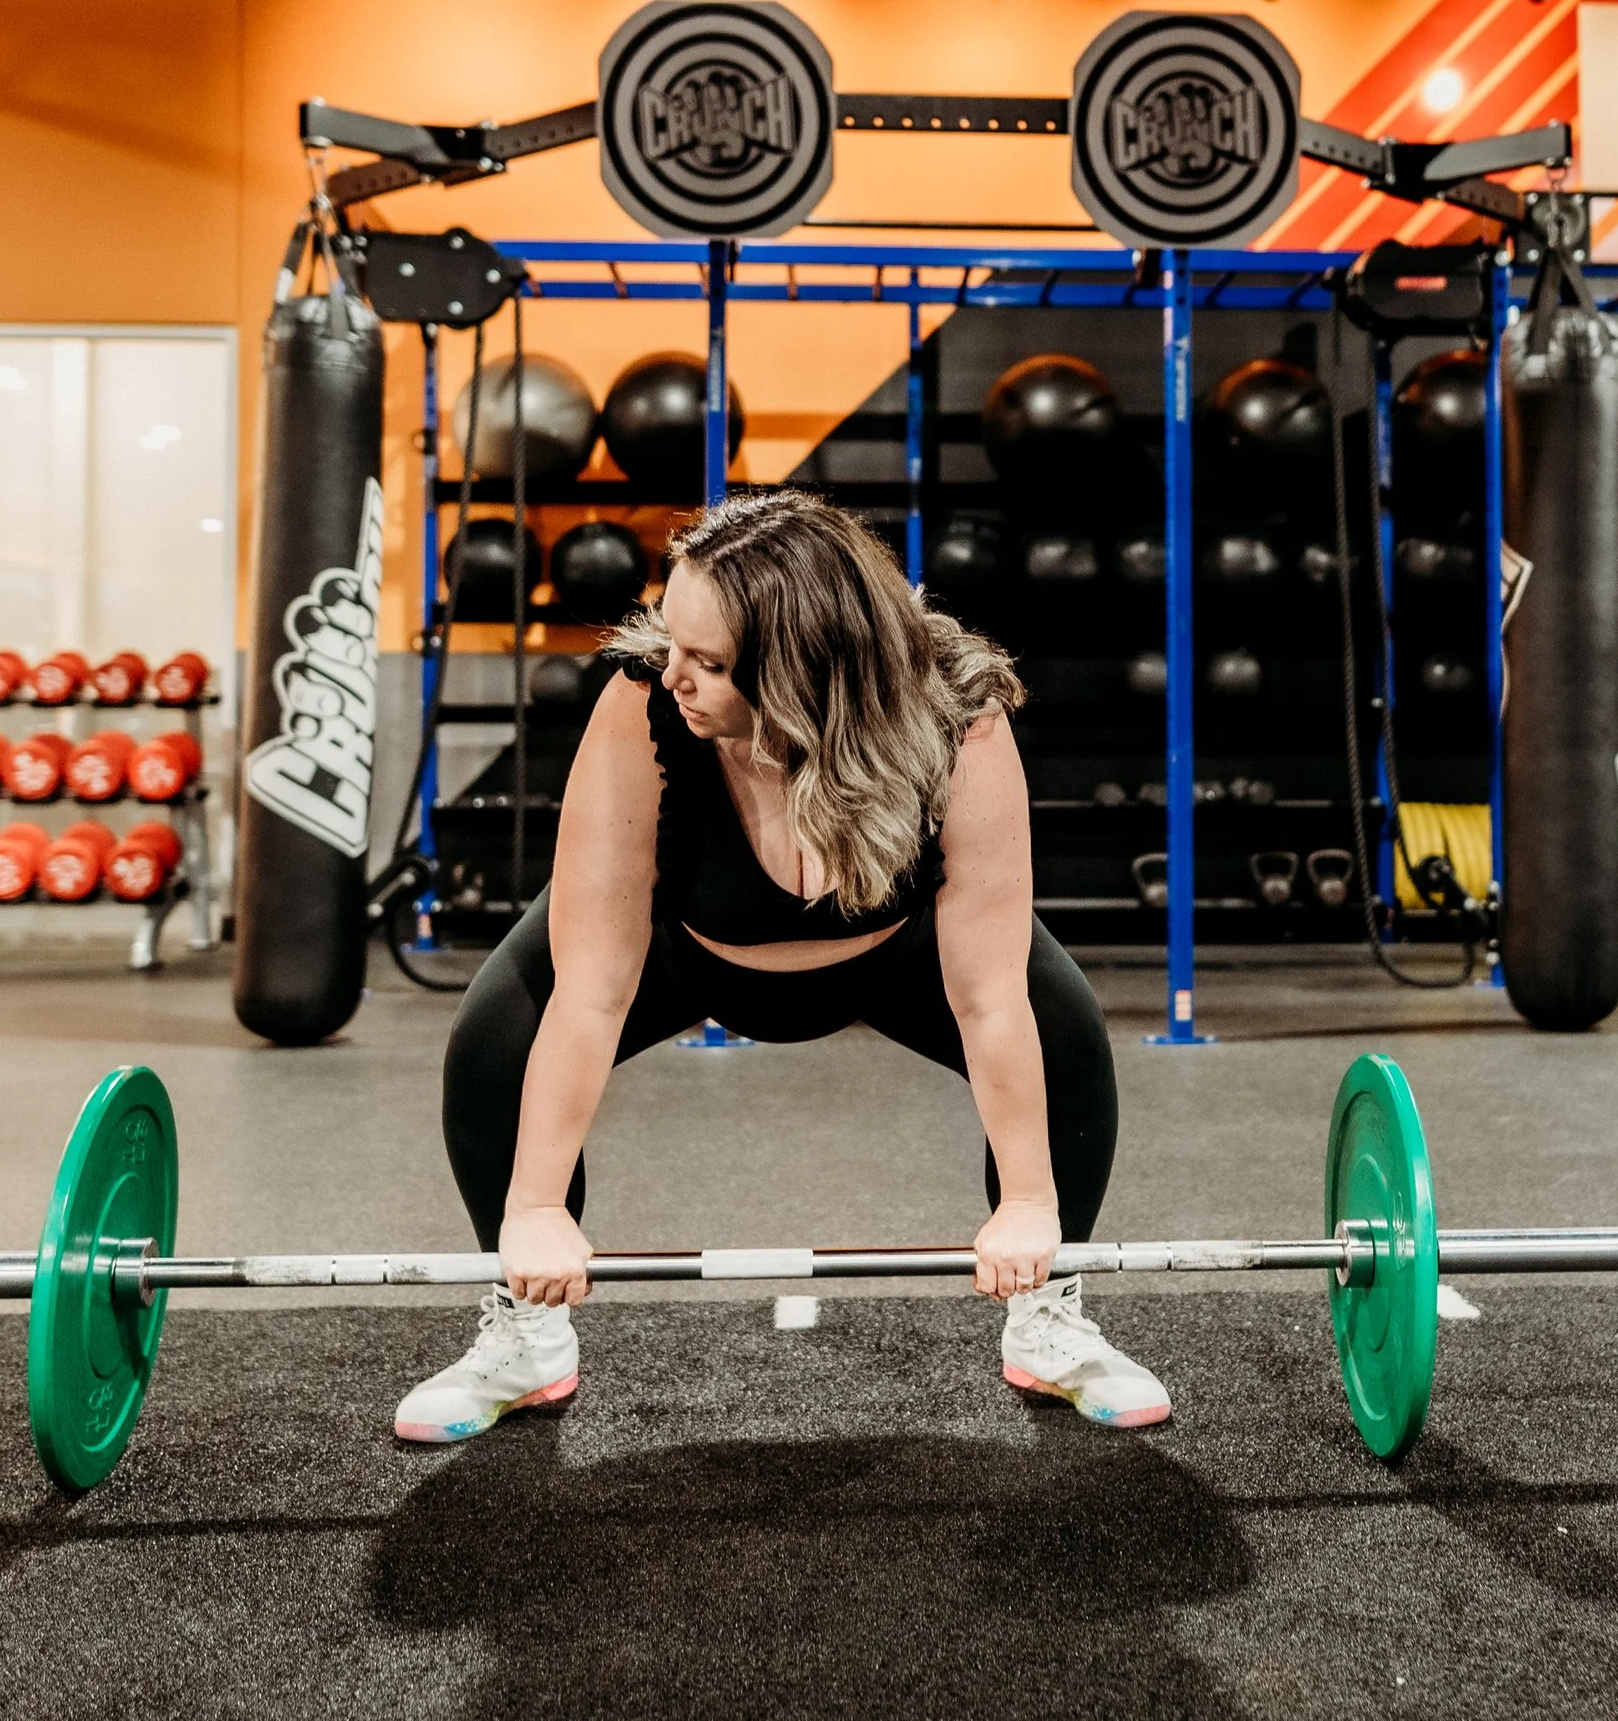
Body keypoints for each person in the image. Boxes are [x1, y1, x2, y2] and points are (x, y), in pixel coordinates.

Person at [395, 489, 1168, 1442]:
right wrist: (536, 1208)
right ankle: (526, 1331)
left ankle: (1049, 1312)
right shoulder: (643, 705)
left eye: (711, 662)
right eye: (673, 640)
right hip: (683, 951)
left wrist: (1029, 1204)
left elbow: (987, 994)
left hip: (899, 957)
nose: (673, 673)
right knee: (494, 1044)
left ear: (806, 670)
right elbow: (593, 990)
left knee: (1064, 1036)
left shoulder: (958, 714)